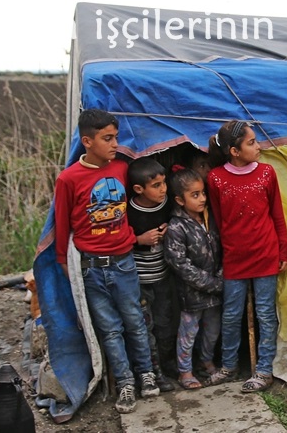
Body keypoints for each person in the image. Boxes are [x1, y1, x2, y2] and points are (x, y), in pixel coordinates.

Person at [53, 109, 158, 413]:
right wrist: (63, 262)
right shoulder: (69, 179)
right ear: (87, 141)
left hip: (124, 262)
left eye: (116, 137)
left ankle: (146, 374)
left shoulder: (123, 169)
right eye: (107, 138)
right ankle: (125, 383)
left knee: (136, 321)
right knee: (110, 329)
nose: (115, 144)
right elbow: (62, 225)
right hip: (91, 268)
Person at [203, 120, 287, 393]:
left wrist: (282, 249)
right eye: (251, 143)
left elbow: (277, 214)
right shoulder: (215, 178)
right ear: (234, 151)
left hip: (265, 253)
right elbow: (217, 219)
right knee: (231, 314)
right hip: (234, 257)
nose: (258, 146)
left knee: (265, 314)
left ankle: (264, 371)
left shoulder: (267, 173)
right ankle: (228, 366)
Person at [163, 165, 223, 390]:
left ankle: (206, 360)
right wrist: (212, 283)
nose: (202, 199)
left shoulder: (210, 219)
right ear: (180, 200)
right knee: (188, 332)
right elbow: (179, 264)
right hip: (192, 294)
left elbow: (223, 249)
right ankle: (185, 371)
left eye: (203, 193)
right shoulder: (177, 227)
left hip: (215, 290)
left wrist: (220, 277)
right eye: (195, 195)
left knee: (212, 330)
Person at [126, 157, 178, 393]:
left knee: (165, 325)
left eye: (164, 183)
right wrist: (139, 240)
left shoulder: (166, 204)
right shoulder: (128, 210)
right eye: (156, 185)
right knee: (145, 329)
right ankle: (153, 374)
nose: (163, 189)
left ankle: (169, 368)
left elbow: (176, 220)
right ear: (139, 189)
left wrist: (171, 229)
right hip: (140, 281)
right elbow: (116, 238)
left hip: (163, 277)